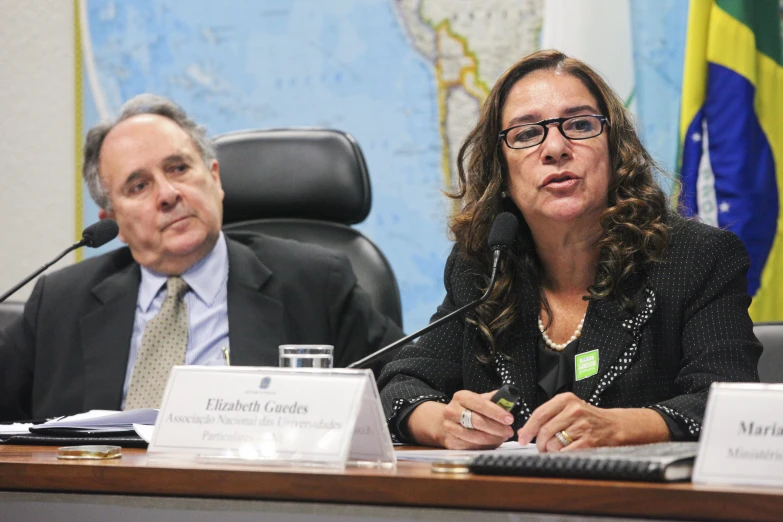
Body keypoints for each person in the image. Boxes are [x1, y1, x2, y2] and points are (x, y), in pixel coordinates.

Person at [378, 50, 762, 452]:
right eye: (526, 134)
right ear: (502, 172)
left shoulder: (696, 258)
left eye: (579, 125)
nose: (555, 148)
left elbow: (730, 402)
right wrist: (442, 423)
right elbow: (400, 384)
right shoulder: (485, 266)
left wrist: (620, 427)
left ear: (615, 151)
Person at [0, 94, 402, 421]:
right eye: (139, 186)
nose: (168, 194)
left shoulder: (315, 283)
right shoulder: (60, 302)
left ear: (215, 178)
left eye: (178, 168)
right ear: (113, 220)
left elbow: (405, 383)